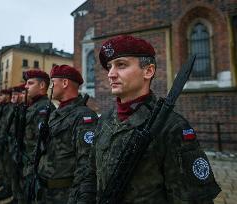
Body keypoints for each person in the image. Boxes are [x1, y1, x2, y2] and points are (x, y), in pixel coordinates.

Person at [80, 35, 221, 203]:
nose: (111, 74)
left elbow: (192, 199)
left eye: (121, 65)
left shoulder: (171, 127)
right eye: (109, 67)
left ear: (148, 71)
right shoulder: (105, 120)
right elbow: (90, 174)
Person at [36, 65, 98, 204]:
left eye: (53, 82)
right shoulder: (56, 113)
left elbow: (86, 165)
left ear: (65, 83)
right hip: (46, 191)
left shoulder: (84, 116)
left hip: (65, 195)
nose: (50, 87)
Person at [22, 70, 56, 202]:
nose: (26, 86)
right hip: (29, 164)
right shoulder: (35, 106)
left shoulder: (44, 109)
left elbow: (42, 145)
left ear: (42, 85)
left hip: (36, 168)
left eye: (30, 83)